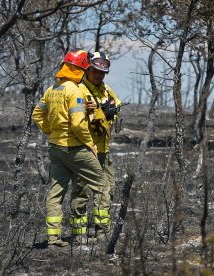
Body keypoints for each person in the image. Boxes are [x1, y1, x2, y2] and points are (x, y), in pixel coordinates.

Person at [32, 49, 110, 247]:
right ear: (81, 68)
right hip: (74, 148)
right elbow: (77, 124)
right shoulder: (74, 90)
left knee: (56, 193)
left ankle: (53, 240)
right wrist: (90, 144)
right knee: (102, 185)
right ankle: (102, 235)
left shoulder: (53, 89)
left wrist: (51, 130)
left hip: (55, 148)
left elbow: (37, 114)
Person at [70, 51, 121, 241]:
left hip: (103, 150)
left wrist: (109, 112)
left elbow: (117, 106)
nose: (98, 76)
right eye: (94, 71)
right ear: (87, 69)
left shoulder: (106, 90)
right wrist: (93, 111)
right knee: (81, 192)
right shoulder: (78, 90)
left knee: (108, 190)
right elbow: (75, 117)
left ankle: (101, 231)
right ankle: (78, 234)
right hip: (84, 149)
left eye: (102, 73)